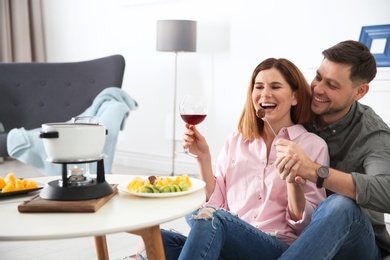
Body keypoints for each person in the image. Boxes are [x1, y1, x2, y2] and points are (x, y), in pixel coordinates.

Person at [159, 57, 329, 259]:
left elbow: (309, 227)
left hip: (276, 247)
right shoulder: (236, 140)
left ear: (295, 97)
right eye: (259, 87)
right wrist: (203, 158)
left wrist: (293, 184)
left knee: (211, 219)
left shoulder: (312, 145)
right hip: (229, 240)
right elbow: (216, 203)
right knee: (158, 239)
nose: (265, 94)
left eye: (275, 86)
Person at [275, 40, 390, 259]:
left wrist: (313, 170)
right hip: (299, 234)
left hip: (357, 243)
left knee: (339, 205)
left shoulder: (373, 134)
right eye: (318, 77)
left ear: (360, 92)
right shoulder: (297, 108)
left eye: (332, 85)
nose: (318, 89)